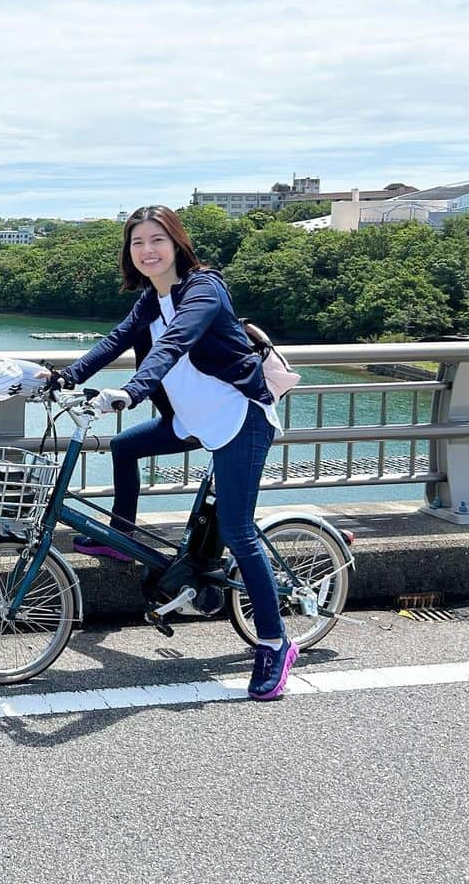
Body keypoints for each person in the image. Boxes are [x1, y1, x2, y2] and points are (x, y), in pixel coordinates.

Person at [41, 205, 296, 701]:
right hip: (192, 421)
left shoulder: (205, 289)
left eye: (157, 239)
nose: (147, 250)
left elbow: (175, 344)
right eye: (137, 243)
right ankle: (120, 538)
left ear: (177, 242)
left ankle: (274, 643)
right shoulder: (149, 300)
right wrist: (64, 377)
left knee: (239, 532)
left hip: (238, 420)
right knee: (124, 446)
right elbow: (115, 340)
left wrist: (132, 392)